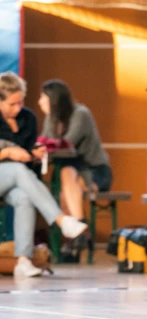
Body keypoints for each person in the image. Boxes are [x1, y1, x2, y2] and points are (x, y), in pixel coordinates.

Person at [0, 73, 87, 276]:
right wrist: (6, 152)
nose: (18, 108)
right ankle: (61, 220)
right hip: (9, 174)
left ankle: (23, 260)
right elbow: (13, 157)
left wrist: (35, 154)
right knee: (17, 170)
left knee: (24, 198)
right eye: (12, 104)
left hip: (17, 182)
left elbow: (29, 151)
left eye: (20, 102)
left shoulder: (28, 117)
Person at [39, 79, 111, 258]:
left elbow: (66, 145)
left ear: (54, 100)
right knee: (64, 188)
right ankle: (76, 238)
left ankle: (78, 230)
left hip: (95, 170)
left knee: (65, 178)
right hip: (70, 172)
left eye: (43, 98)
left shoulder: (81, 114)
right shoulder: (51, 119)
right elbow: (44, 143)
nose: (40, 102)